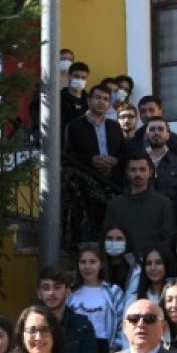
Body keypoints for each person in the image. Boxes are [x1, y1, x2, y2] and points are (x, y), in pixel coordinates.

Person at [65, 84, 128, 240]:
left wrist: (116, 160)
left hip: (112, 180)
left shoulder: (114, 126)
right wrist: (91, 160)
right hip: (86, 180)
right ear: (89, 100)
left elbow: (123, 151)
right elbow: (68, 155)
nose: (101, 102)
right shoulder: (75, 126)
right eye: (98, 98)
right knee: (88, 223)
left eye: (106, 99)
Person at [104, 155, 174, 258]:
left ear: (150, 172)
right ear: (127, 172)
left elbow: (169, 238)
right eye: (133, 170)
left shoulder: (163, 203)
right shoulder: (114, 205)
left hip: (152, 265)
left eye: (142, 169)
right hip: (121, 264)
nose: (137, 174)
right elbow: (107, 237)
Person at [37, 267, 102, 353]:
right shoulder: (31, 326)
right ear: (39, 293)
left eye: (57, 287)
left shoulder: (83, 326)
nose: (51, 293)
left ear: (67, 291)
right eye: (46, 288)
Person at [67, 243, 126, 353]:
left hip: (104, 349)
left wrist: (114, 349)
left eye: (92, 262)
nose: (87, 266)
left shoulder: (114, 292)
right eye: (83, 262)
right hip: (75, 349)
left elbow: (122, 324)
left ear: (101, 265)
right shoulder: (70, 293)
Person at [145, 116, 177, 204]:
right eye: (152, 129)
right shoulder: (136, 161)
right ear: (146, 135)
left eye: (161, 129)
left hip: (170, 215)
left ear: (168, 135)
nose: (156, 132)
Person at [103, 225, 142, 301]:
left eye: (119, 239)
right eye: (110, 239)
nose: (114, 242)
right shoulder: (96, 264)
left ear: (127, 242)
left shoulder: (135, 267)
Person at [60, 61, 91, 131]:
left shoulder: (90, 100)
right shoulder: (59, 98)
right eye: (76, 76)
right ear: (69, 76)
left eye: (83, 77)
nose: (80, 80)